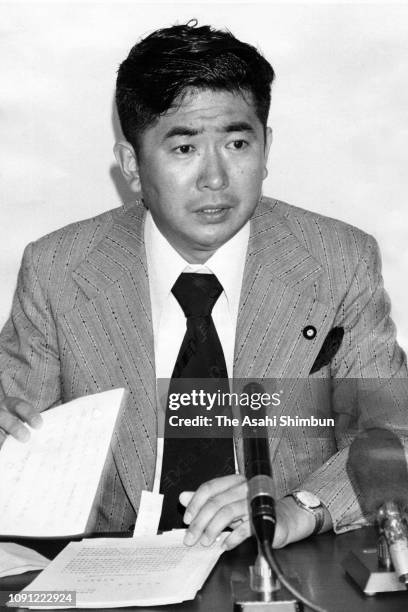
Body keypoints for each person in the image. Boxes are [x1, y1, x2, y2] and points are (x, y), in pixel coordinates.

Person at [0, 22, 406, 552]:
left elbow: (392, 436)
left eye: (238, 142)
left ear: (266, 148)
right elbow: (18, 440)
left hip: (285, 567)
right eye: (184, 148)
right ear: (131, 165)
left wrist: (299, 509)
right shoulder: (59, 271)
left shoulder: (337, 261)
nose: (216, 178)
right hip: (111, 573)